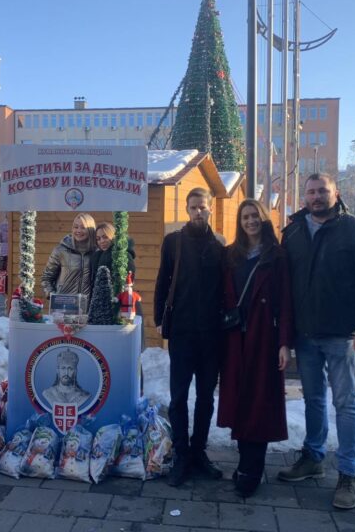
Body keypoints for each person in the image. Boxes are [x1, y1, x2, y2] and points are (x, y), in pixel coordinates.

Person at [277, 172, 355, 510]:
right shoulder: (292, 232)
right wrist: (285, 334)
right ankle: (313, 457)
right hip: (306, 336)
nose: (317, 197)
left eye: (323, 191)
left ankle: (348, 474)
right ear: (304, 196)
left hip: (343, 336)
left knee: (346, 404)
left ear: (336, 193)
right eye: (311, 192)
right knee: (312, 401)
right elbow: (285, 286)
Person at [218, 199, 294, 498]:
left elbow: (286, 300)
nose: (250, 221)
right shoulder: (231, 255)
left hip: (264, 338)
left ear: (263, 219)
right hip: (235, 339)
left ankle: (252, 469)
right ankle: (244, 463)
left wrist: (285, 342)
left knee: (259, 403)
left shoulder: (277, 256)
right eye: (245, 216)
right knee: (240, 401)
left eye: (254, 216)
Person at [154, 186, 224, 487]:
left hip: (212, 335)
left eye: (203, 207)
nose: (199, 212)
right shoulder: (173, 242)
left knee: (206, 397)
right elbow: (161, 281)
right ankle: (182, 455)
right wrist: (159, 320)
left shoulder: (220, 246)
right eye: (194, 207)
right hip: (182, 332)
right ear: (187, 209)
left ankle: (199, 451)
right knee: (179, 396)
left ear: (210, 209)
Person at [41, 212, 96, 299]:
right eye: (76, 227)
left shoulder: (96, 252)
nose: (78, 231)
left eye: (83, 227)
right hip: (64, 306)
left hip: (89, 307)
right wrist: (53, 297)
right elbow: (46, 278)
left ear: (91, 230)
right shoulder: (61, 250)